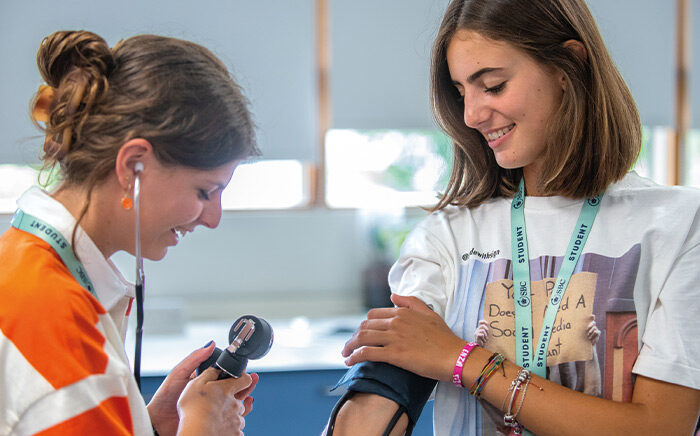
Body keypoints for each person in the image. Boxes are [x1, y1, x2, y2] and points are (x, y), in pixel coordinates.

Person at [327, 0, 700, 435]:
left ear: (569, 67)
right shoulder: (447, 236)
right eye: (462, 91)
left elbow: (661, 427)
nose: (471, 115)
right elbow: (385, 387)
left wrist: (461, 359)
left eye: (493, 86)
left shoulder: (679, 225)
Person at [0, 30, 260, 435]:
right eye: (205, 191)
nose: (213, 218)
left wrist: (143, 424)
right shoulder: (55, 317)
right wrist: (201, 429)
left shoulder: (22, 261)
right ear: (133, 165)